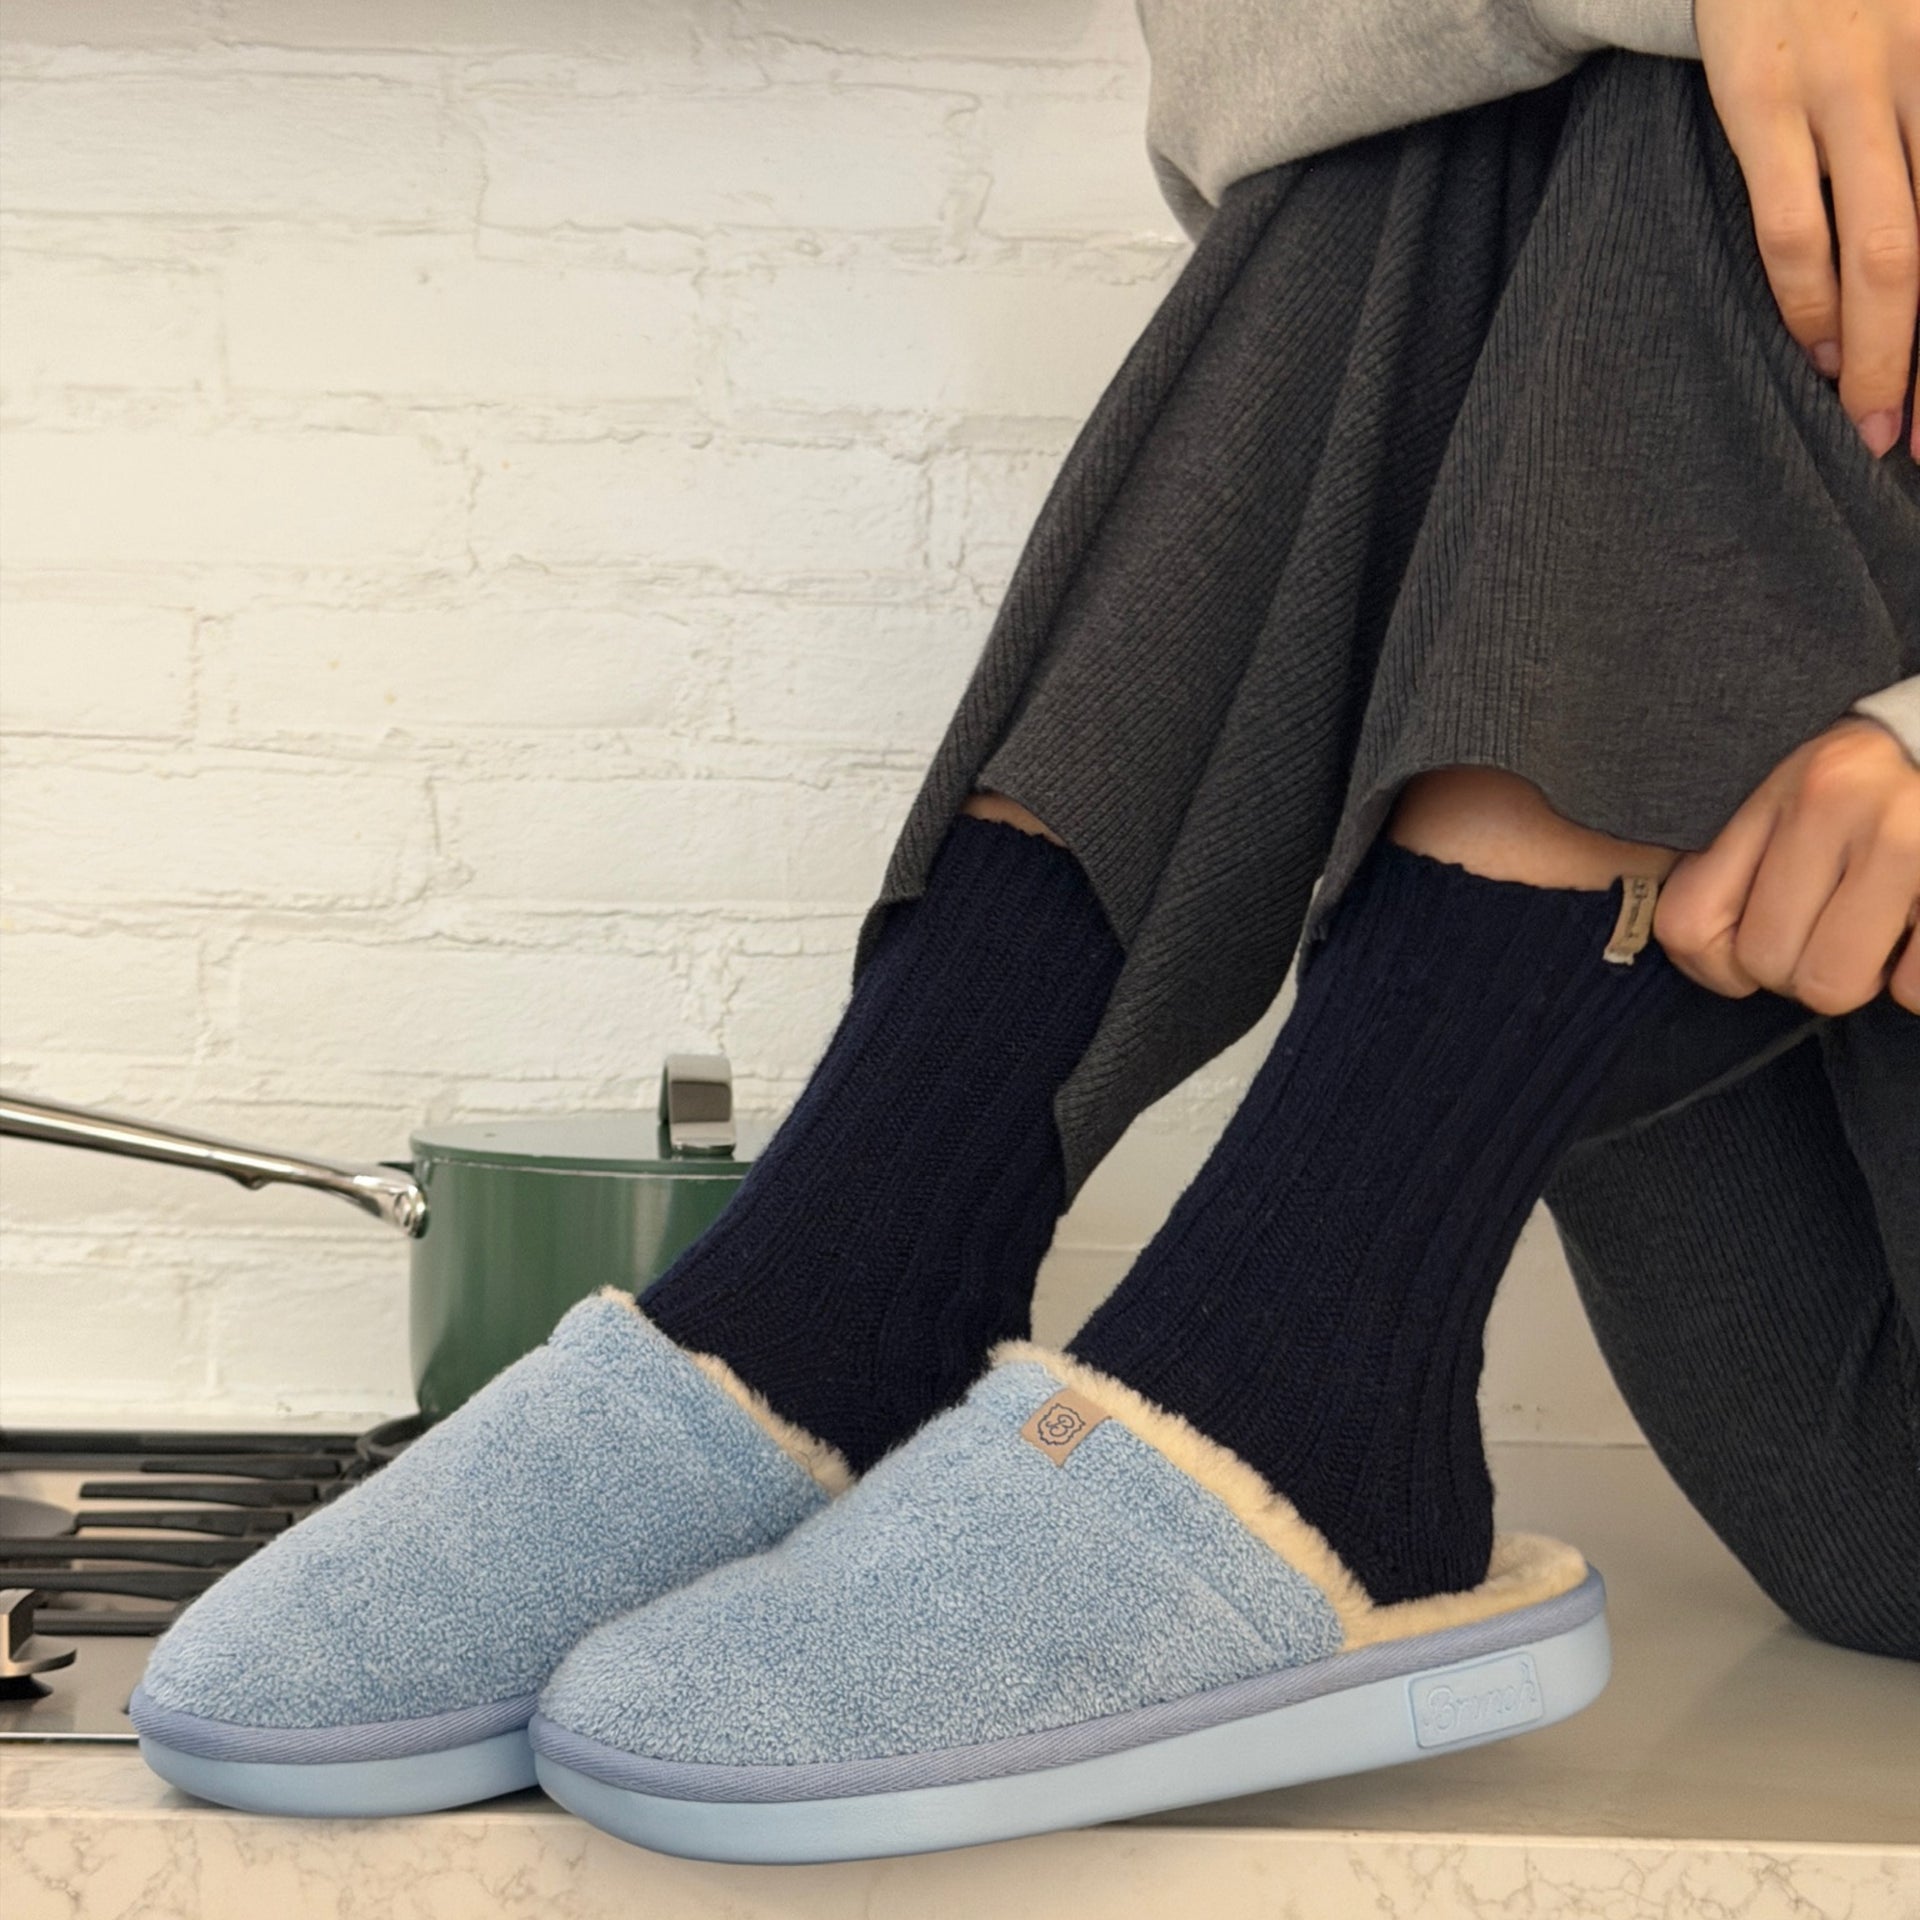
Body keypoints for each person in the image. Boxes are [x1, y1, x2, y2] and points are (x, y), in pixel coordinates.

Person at [129, 0, 1917, 1859]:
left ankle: (1241, 1354)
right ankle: (867, 1267)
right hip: (1756, 1094)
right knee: (1513, 107)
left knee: (1725, 132)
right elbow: (1233, 88)